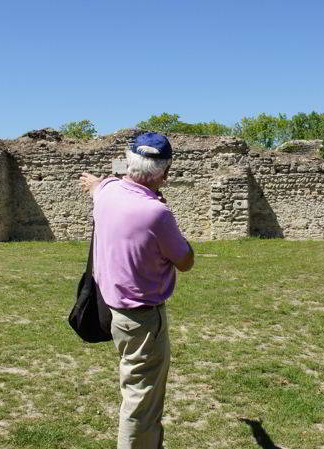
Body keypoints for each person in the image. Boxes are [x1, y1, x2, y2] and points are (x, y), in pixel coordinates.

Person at [78, 131, 194, 449]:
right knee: (141, 406)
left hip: (114, 311)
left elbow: (98, 186)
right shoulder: (156, 213)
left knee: (139, 396)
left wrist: (93, 182)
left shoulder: (108, 192)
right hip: (143, 321)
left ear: (128, 163)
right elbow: (185, 261)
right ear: (165, 174)